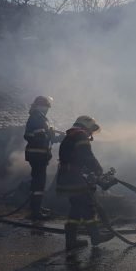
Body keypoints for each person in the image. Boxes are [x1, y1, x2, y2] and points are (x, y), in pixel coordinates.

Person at [56, 115, 114, 250]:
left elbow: (76, 159)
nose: (91, 133)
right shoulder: (80, 135)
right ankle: (96, 236)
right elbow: (87, 156)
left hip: (66, 178)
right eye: (91, 130)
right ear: (86, 126)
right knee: (89, 206)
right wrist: (98, 170)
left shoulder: (70, 136)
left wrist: (89, 172)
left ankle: (71, 241)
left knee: (76, 209)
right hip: (74, 178)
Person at [23, 96, 63, 220]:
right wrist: (48, 135)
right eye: (46, 107)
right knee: (38, 184)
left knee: (38, 183)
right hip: (37, 155)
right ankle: (35, 212)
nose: (47, 110)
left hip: (39, 155)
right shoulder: (36, 118)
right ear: (40, 106)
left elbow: (48, 138)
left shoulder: (40, 118)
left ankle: (37, 207)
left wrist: (58, 138)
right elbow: (32, 136)